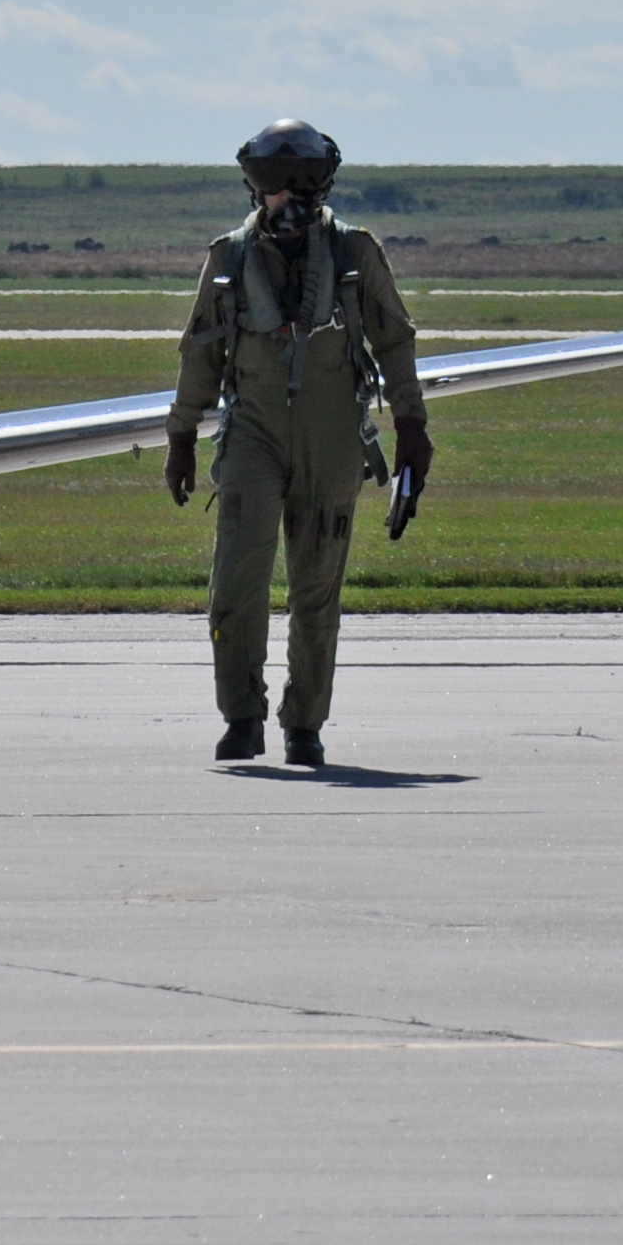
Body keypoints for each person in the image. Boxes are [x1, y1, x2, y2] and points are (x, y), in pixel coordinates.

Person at [165, 119, 432, 770]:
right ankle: (243, 716)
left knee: (316, 587)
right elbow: (201, 350)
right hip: (253, 426)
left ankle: (304, 725)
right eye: (274, 179)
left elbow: (394, 340)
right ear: (255, 186)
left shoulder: (354, 254)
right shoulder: (227, 258)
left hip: (331, 429)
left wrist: (413, 427)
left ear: (325, 181)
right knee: (236, 578)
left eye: (303, 178)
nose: (289, 193)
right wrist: (180, 434)